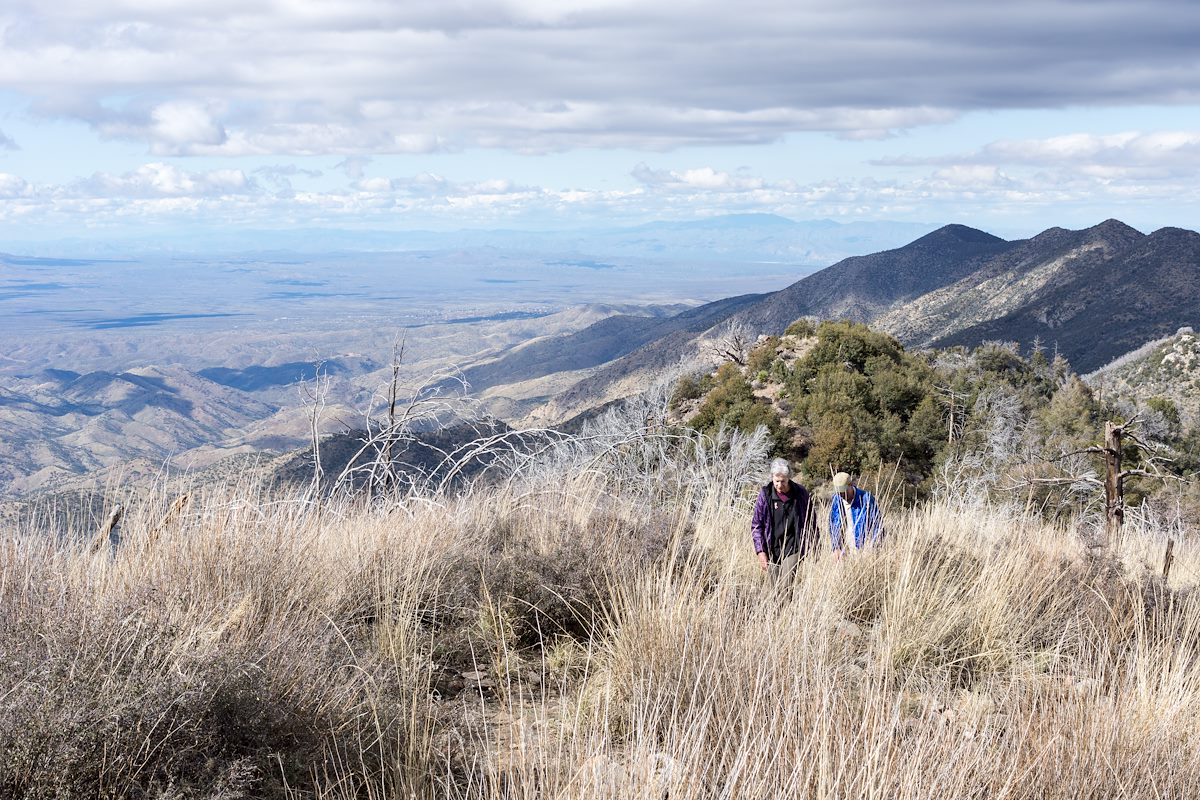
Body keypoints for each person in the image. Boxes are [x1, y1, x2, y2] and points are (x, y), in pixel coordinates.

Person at [751, 458, 816, 586]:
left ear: (789, 478)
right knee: (774, 588)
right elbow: (756, 525)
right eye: (776, 481)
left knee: (786, 584)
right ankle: (781, 607)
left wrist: (814, 545)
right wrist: (760, 551)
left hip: (794, 546)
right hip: (772, 548)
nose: (780, 485)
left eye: (783, 481)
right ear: (772, 478)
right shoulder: (766, 495)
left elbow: (811, 520)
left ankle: (787, 604)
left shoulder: (800, 493)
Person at [829, 471, 884, 558]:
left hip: (864, 552)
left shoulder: (866, 498)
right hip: (844, 553)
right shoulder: (836, 500)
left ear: (851, 485)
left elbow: (878, 525)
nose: (842, 495)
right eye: (839, 492)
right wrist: (836, 547)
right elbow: (833, 525)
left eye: (844, 491)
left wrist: (874, 548)